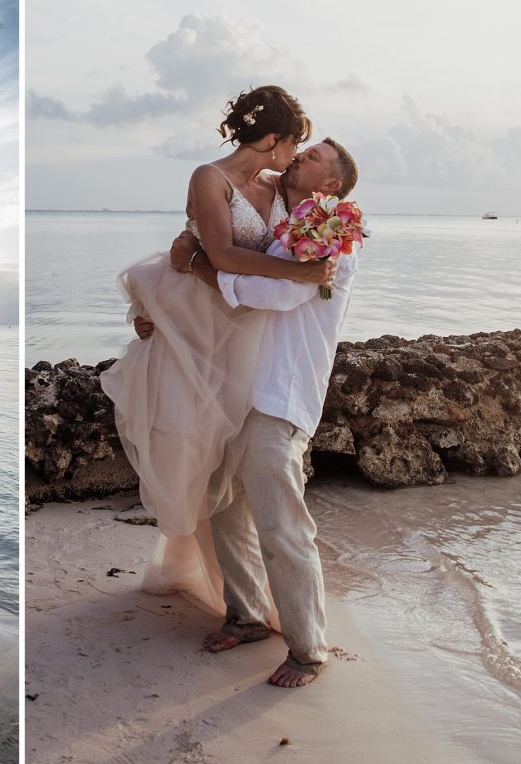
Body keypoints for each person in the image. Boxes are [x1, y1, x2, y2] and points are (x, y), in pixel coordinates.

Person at [136, 137, 361, 688]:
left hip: (281, 392)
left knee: (281, 520)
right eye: (299, 148)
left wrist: (199, 267)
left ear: (330, 185)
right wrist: (163, 313)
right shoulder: (274, 213)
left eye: (312, 157)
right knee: (222, 501)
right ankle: (247, 614)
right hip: (234, 385)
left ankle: (308, 648)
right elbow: (225, 276)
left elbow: (274, 295)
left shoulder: (335, 232)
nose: (299, 156)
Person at [100, 86, 332, 617]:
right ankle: (216, 585)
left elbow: (308, 228)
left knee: (230, 457)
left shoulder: (278, 183)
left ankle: (250, 599)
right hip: (196, 317)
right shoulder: (210, 177)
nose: (296, 154)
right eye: (295, 143)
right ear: (272, 138)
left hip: (244, 326)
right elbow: (223, 253)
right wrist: (297, 273)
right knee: (200, 453)